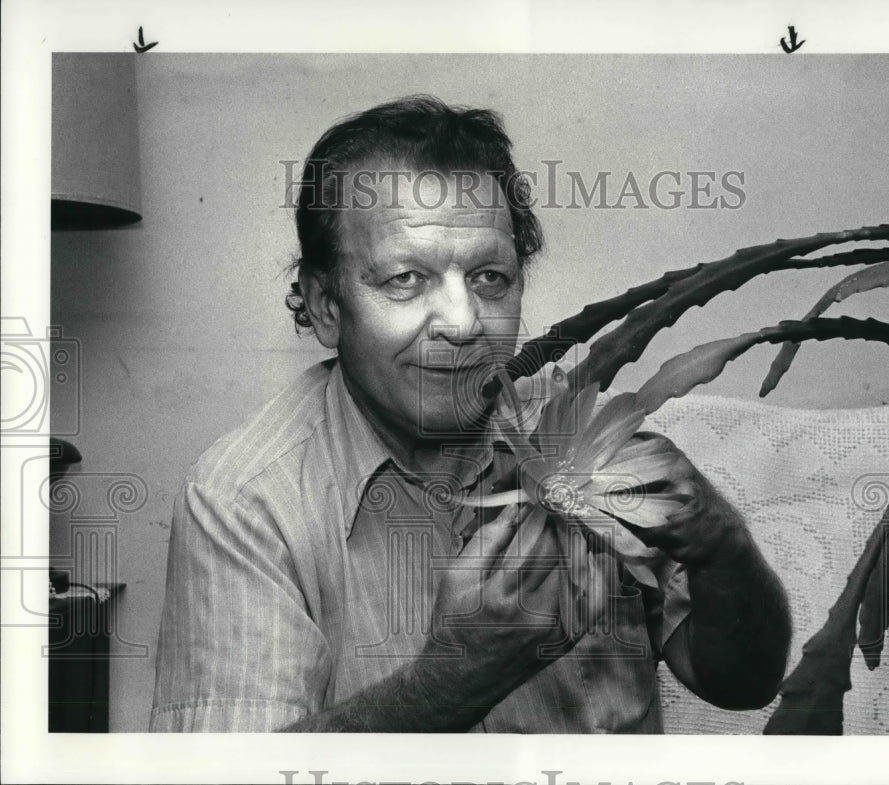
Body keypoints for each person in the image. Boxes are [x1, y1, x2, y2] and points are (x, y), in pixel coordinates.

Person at [150, 95, 791, 733]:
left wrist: (722, 544)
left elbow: (742, 681)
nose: (463, 324)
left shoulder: (581, 437)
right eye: (405, 279)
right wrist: (456, 678)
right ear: (326, 306)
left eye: (490, 278)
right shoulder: (242, 504)